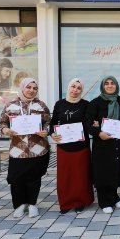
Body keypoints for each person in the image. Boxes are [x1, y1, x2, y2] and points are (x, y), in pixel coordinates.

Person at [0, 78, 51, 218]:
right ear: (22, 88)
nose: (31, 90)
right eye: (28, 87)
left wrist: (46, 130)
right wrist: (5, 131)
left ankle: (32, 204)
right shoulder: (11, 105)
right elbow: (2, 123)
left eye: (34, 88)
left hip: (38, 149)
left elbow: (48, 122)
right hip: (18, 150)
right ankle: (20, 204)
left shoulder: (41, 105)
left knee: (34, 178)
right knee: (17, 179)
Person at [87, 76, 120, 214]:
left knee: (115, 170)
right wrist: (98, 133)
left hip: (117, 143)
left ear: (116, 85)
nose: (110, 86)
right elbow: (87, 123)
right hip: (102, 143)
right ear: (102, 86)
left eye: (112, 83)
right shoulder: (95, 103)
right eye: (107, 83)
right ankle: (104, 201)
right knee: (103, 171)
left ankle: (114, 196)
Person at [50, 78, 94, 214]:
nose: (75, 90)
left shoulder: (86, 104)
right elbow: (52, 123)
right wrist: (52, 134)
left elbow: (89, 123)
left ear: (82, 90)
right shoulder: (59, 104)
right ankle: (66, 203)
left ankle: (80, 201)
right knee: (65, 176)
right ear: (68, 87)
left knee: (81, 176)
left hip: (81, 146)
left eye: (79, 88)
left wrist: (95, 125)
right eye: (73, 87)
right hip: (64, 146)